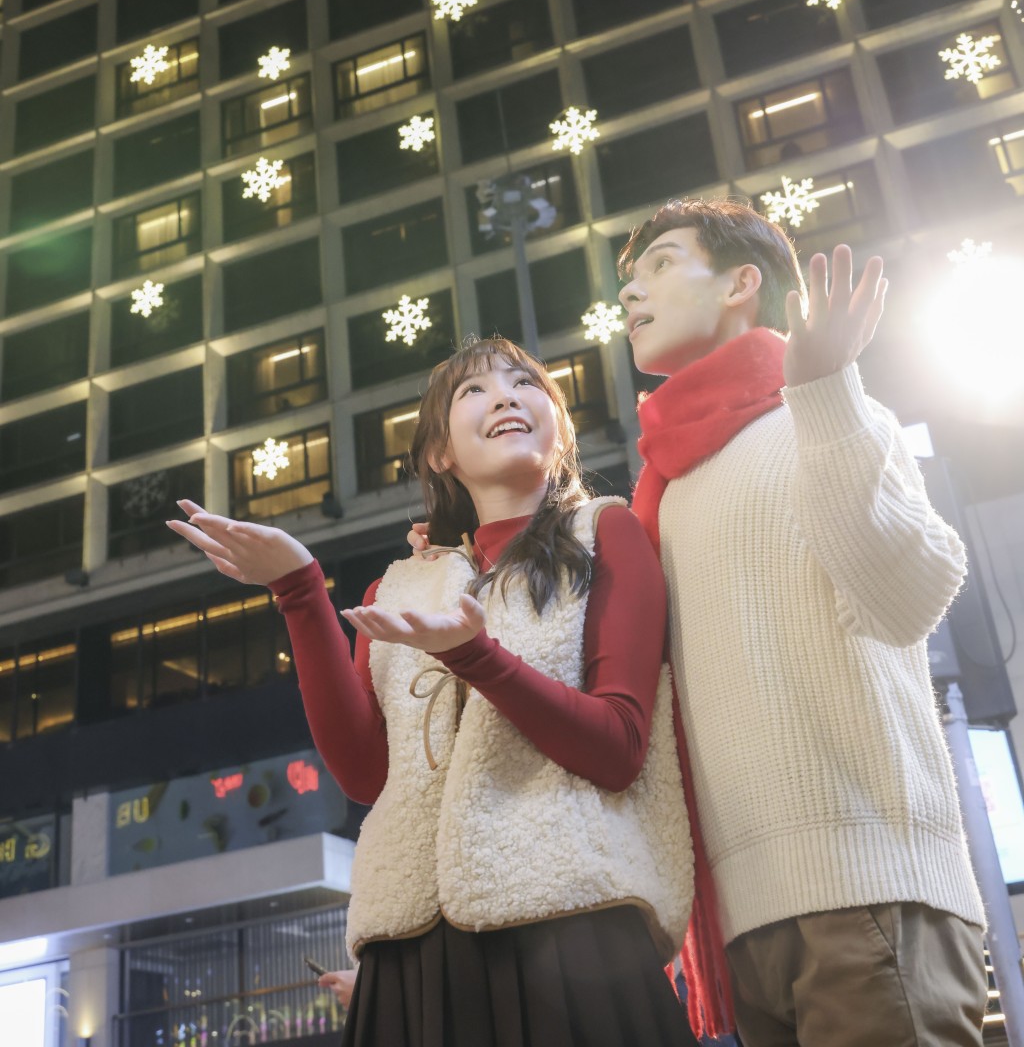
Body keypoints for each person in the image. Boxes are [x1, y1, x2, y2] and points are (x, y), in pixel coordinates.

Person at [168, 337, 696, 1047]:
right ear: (440, 451)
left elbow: (619, 747)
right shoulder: (398, 587)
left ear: (559, 426)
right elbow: (364, 774)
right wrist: (298, 588)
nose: (506, 396)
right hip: (409, 953)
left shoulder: (607, 532)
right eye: (474, 391)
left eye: (524, 383)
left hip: (572, 927)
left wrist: (473, 656)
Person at [613, 197, 987, 1047]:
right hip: (742, 923)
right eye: (627, 283)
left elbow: (906, 598)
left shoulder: (830, 417)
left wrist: (824, 390)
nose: (632, 296)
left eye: (661, 264)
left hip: (872, 893)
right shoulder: (662, 491)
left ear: (745, 283)